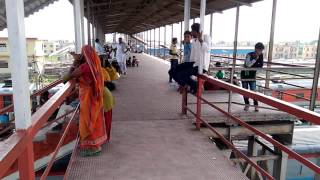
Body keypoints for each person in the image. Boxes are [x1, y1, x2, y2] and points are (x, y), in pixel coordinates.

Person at [64, 45, 107, 156]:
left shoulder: (85, 67)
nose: (81, 55)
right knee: (94, 119)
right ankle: (96, 143)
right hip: (94, 97)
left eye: (82, 53)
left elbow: (68, 77)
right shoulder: (95, 66)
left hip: (88, 98)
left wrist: (74, 62)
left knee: (87, 122)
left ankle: (91, 146)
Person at [179, 23, 211, 94]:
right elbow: (192, 54)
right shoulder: (194, 40)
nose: (191, 32)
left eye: (192, 30)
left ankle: (195, 86)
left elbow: (208, 49)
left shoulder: (206, 37)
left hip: (202, 66)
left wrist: (201, 40)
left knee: (182, 74)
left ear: (196, 31)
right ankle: (194, 86)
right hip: (195, 64)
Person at [240, 42, 265, 112]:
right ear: (256, 49)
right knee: (245, 91)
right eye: (259, 50)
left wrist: (253, 64)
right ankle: (247, 104)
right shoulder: (249, 54)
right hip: (244, 74)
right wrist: (255, 60)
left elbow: (261, 65)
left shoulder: (261, 55)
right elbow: (247, 65)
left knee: (253, 90)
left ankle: (256, 105)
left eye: (261, 50)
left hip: (252, 75)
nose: (260, 52)